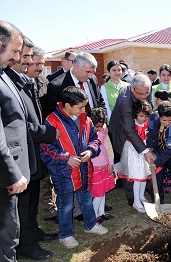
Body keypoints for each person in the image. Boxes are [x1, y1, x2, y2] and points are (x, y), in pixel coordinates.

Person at [5, 42, 58, 260]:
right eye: (32, 62)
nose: (37, 67)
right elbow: (16, 125)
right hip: (23, 154)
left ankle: (32, 232)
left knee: (33, 199)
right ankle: (26, 245)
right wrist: (50, 132)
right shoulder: (10, 85)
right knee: (23, 205)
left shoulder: (31, 83)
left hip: (34, 154)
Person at [40, 86, 108, 249]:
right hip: (64, 173)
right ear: (67, 105)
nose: (83, 110)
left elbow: (94, 139)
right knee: (66, 205)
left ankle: (90, 224)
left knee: (86, 200)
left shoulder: (86, 118)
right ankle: (66, 234)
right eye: (80, 107)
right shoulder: (51, 121)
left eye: (84, 106)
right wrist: (66, 158)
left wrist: (91, 151)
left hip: (84, 170)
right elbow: (46, 149)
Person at [0, 20, 30, 261]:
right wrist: (12, 174)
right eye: (15, 51)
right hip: (2, 179)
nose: (17, 58)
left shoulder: (1, 73)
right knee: (6, 240)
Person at [109, 74, 155, 207]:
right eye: (140, 94)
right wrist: (145, 150)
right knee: (129, 165)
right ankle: (131, 196)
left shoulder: (146, 91)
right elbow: (129, 129)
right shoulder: (125, 102)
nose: (143, 96)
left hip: (138, 130)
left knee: (140, 163)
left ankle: (140, 191)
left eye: (146, 93)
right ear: (132, 89)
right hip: (122, 133)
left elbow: (149, 109)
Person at [25, 46, 58, 224]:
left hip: (47, 137)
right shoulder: (20, 86)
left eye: (42, 64)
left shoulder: (45, 82)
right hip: (31, 139)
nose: (39, 67)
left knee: (46, 175)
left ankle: (49, 209)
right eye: (37, 63)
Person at [44, 52, 104, 117]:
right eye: (88, 72)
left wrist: (100, 119)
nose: (90, 76)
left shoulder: (93, 80)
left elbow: (100, 102)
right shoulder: (56, 86)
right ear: (76, 67)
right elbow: (54, 116)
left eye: (93, 72)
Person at [119, 101, 153, 213]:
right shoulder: (132, 125)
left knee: (144, 174)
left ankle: (142, 196)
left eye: (146, 116)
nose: (144, 119)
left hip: (145, 150)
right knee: (138, 177)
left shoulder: (147, 123)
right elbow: (133, 138)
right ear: (136, 114)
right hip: (134, 152)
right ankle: (136, 201)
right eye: (141, 116)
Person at [146, 101, 171, 204]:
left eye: (169, 120)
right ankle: (157, 201)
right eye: (164, 120)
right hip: (158, 148)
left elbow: (169, 149)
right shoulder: (153, 117)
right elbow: (150, 134)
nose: (167, 123)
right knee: (156, 175)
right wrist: (150, 149)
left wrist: (157, 163)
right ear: (158, 115)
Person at [87, 108, 115, 223]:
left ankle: (101, 212)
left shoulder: (104, 132)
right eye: (97, 127)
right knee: (98, 194)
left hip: (105, 166)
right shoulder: (87, 135)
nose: (99, 129)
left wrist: (111, 163)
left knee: (102, 192)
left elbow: (108, 147)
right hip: (95, 168)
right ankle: (94, 216)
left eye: (101, 126)